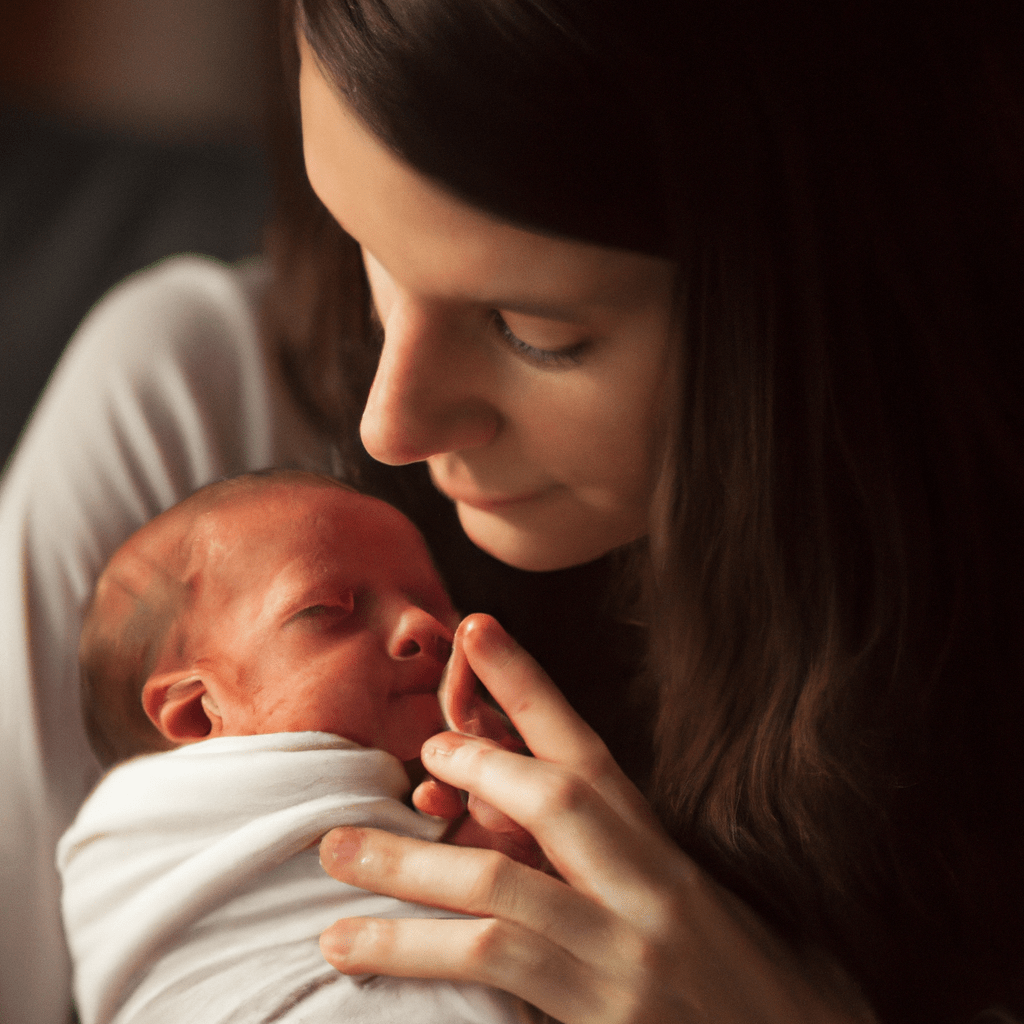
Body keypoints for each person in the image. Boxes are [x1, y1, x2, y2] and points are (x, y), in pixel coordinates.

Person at [0, 1, 1021, 1023]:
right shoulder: (194, 423)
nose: (387, 426)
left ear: (828, 297)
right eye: (372, 250)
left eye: (533, 331)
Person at [58, 469, 535, 1024]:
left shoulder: (456, 795)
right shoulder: (138, 842)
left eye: (436, 604)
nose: (422, 625)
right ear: (196, 711)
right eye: (326, 610)